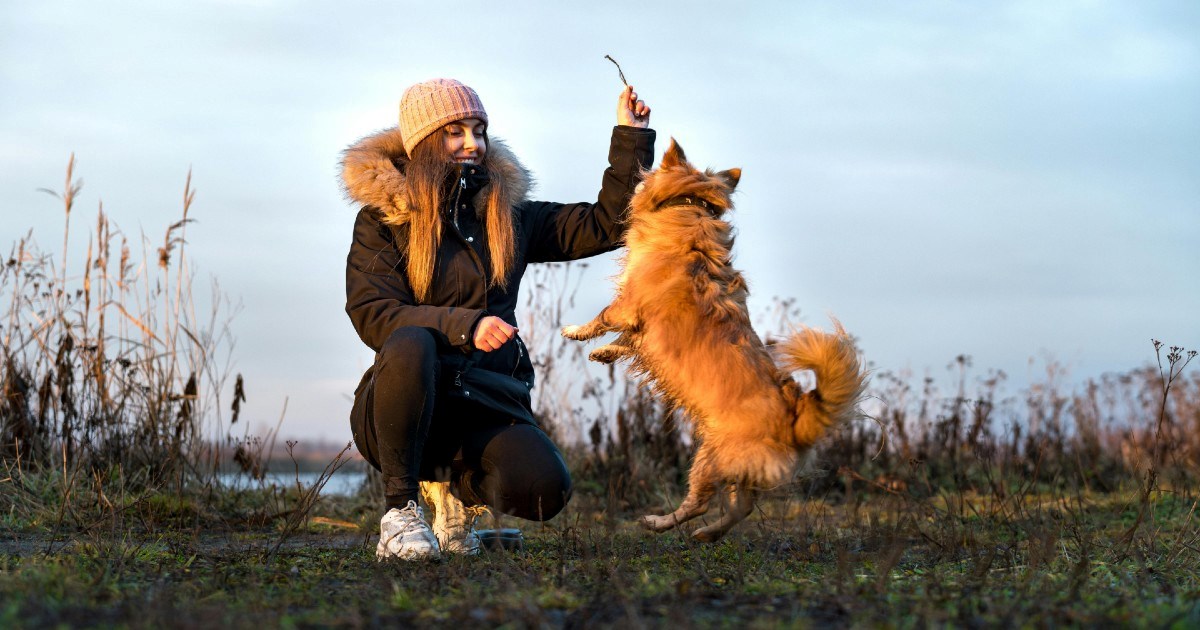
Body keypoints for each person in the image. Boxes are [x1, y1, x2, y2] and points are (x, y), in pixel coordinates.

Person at [341, 78, 654, 559]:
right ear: (423, 142)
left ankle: (454, 500)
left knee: (545, 489)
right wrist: (466, 327)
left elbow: (606, 225)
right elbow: (373, 312)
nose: (473, 143)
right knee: (410, 341)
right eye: (456, 132)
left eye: (479, 130)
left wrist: (631, 137)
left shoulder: (510, 216)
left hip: (485, 402)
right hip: (403, 409)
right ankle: (401, 513)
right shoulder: (382, 221)